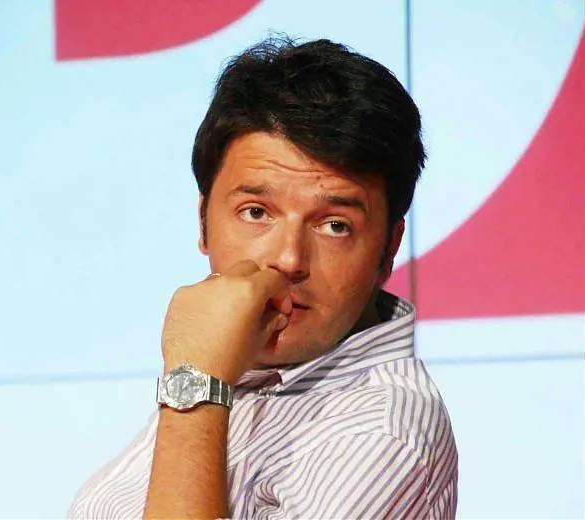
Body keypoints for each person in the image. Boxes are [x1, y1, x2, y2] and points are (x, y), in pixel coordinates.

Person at [68, 37, 458, 519]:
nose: (288, 259)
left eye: (335, 225)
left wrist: (196, 382)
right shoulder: (241, 371)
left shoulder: (382, 432)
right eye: (256, 212)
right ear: (203, 223)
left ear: (388, 249)